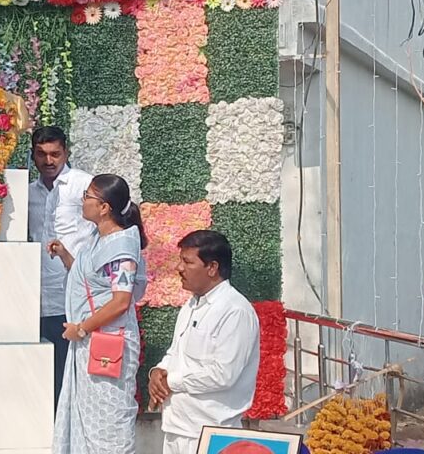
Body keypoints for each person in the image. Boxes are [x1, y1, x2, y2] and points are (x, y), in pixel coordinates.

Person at [50, 174, 148, 454]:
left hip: (107, 343)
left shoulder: (121, 248)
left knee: (107, 426)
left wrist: (81, 328)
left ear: (104, 207)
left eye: (87, 197)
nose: (83, 202)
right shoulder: (99, 238)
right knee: (86, 421)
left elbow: (120, 301)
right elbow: (94, 282)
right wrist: (67, 257)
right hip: (92, 341)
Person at [147, 230, 260, 454]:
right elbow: (175, 352)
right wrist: (158, 372)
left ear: (212, 268)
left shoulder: (235, 310)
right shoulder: (191, 305)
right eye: (181, 260)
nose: (179, 268)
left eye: (187, 262)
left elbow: (223, 374)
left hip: (211, 433)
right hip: (178, 427)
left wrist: (172, 382)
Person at [28, 126, 94, 410]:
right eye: (41, 154)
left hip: (73, 301)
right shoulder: (26, 193)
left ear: (66, 152)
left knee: (70, 382)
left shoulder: (84, 186)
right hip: (35, 301)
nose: (49, 160)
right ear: (32, 156)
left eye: (55, 154)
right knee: (41, 382)